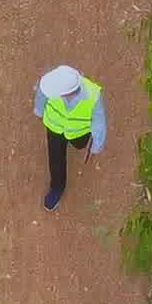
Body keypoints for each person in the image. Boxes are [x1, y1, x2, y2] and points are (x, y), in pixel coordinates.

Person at [34, 64, 105, 209]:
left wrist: (96, 147)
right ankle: (57, 188)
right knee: (55, 158)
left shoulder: (94, 96)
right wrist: (40, 112)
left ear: (68, 92)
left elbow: (99, 122)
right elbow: (41, 94)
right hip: (54, 127)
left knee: (79, 145)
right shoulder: (52, 82)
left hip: (79, 132)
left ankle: (79, 142)